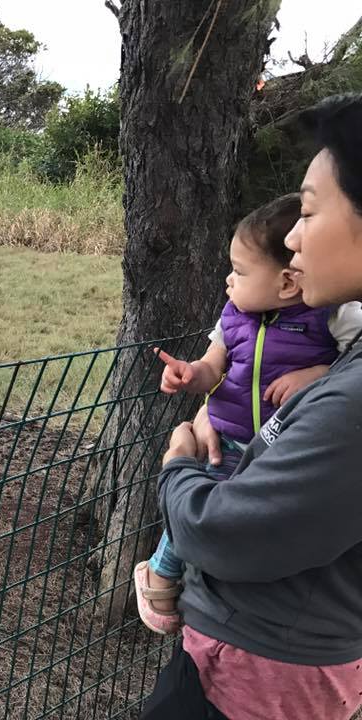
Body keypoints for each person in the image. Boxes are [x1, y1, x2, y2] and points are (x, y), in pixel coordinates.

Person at [142, 93, 362, 720]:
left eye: (311, 212)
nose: (294, 238)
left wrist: (178, 463)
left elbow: (227, 531)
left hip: (259, 665)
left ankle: (158, 582)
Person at [132, 193, 362, 635]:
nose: (228, 281)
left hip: (281, 450)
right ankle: (163, 582)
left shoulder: (332, 315)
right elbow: (212, 366)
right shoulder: (233, 316)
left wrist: (317, 373)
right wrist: (189, 375)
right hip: (232, 438)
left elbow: (355, 363)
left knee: (239, 520)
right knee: (200, 507)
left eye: (239, 272)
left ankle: (186, 585)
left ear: (287, 283)